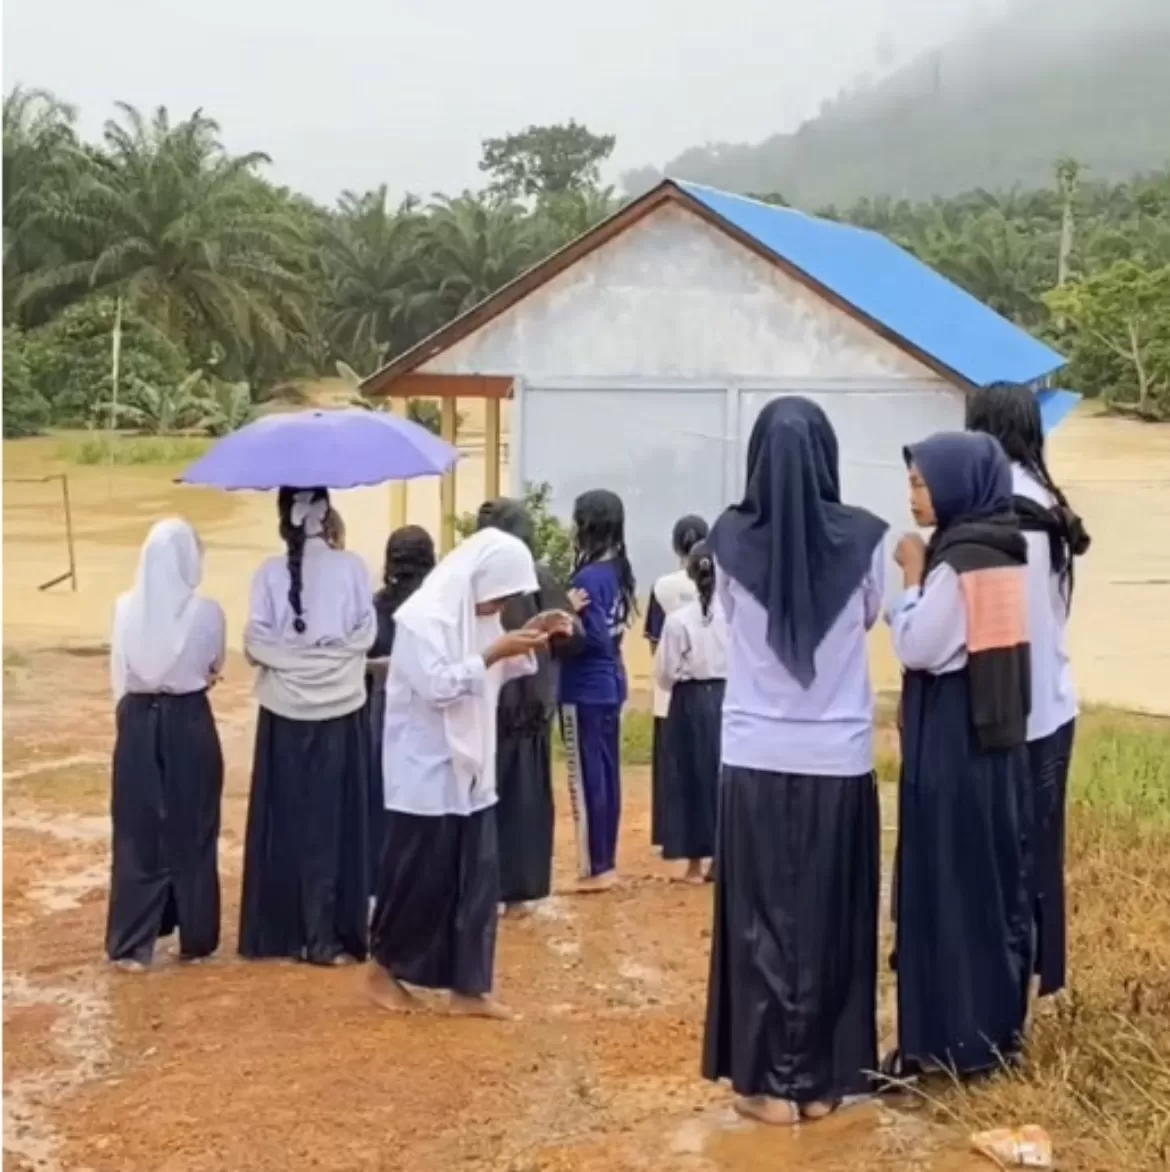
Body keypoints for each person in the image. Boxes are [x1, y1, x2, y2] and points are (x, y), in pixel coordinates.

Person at [701, 397, 888, 1126]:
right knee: (830, 915)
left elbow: (730, 628)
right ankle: (821, 1084)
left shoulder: (726, 538)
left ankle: (764, 1083)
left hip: (753, 754)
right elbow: (869, 619)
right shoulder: (869, 539)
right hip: (837, 756)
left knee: (759, 922)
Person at [366, 528, 572, 1019]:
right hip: (427, 773)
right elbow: (439, 686)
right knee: (420, 880)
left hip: (473, 768)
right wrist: (493, 652)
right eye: (497, 596)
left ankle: (469, 988)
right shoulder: (422, 620)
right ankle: (381, 971)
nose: (499, 608)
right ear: (476, 581)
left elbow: (503, 670)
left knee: (477, 881)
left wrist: (536, 631)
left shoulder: (481, 615)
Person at [886, 431, 1033, 1080]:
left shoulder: (955, 560)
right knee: (986, 883)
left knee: (942, 883)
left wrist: (912, 575)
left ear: (954, 484)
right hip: (995, 738)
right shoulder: (1005, 550)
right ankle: (990, 1032)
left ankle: (945, 1040)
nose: (914, 495)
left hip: (949, 735)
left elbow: (919, 646)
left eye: (921, 483)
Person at [967, 383, 1089, 997]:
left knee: (1003, 852)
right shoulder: (1049, 500)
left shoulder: (999, 510)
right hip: (1055, 701)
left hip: (1012, 708)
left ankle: (1005, 986)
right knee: (1042, 845)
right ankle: (1043, 977)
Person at [238, 487, 376, 966]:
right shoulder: (354, 567)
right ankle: (332, 935)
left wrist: (293, 659)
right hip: (342, 706)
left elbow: (255, 641)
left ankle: (282, 933)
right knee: (336, 821)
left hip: (284, 710)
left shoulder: (267, 574)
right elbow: (366, 634)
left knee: (288, 817)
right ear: (327, 513)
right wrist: (329, 656)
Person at [106, 519, 226, 972]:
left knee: (137, 831)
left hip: (136, 721)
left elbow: (118, 671)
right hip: (189, 718)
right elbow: (212, 663)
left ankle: (131, 943)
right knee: (194, 827)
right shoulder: (207, 611)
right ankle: (195, 936)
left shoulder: (123, 608)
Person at [475, 499, 583, 916]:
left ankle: (482, 885)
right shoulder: (535, 577)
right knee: (525, 800)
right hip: (530, 706)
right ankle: (518, 891)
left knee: (483, 793)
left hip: (484, 703)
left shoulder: (465, 577)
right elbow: (576, 637)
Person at [559, 489, 637, 893]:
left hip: (583, 687)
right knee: (606, 773)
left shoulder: (586, 578)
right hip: (611, 683)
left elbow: (587, 639)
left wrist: (563, 613)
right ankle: (605, 858)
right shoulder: (618, 570)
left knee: (587, 776)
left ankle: (596, 866)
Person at [366, 526, 437, 895]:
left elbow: (362, 660)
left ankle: (382, 884)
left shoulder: (377, 606)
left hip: (384, 711)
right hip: (431, 712)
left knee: (382, 794)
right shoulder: (439, 606)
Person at [653, 540, 727, 884]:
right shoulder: (734, 615)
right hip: (726, 697)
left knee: (690, 777)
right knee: (721, 776)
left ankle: (695, 864)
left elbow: (665, 671)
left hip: (690, 699)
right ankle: (722, 858)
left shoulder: (678, 620)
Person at [643, 514, 709, 852]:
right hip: (720, 696)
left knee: (677, 771)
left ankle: (678, 842)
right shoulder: (728, 592)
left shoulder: (663, 587)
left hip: (674, 693)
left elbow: (656, 643)